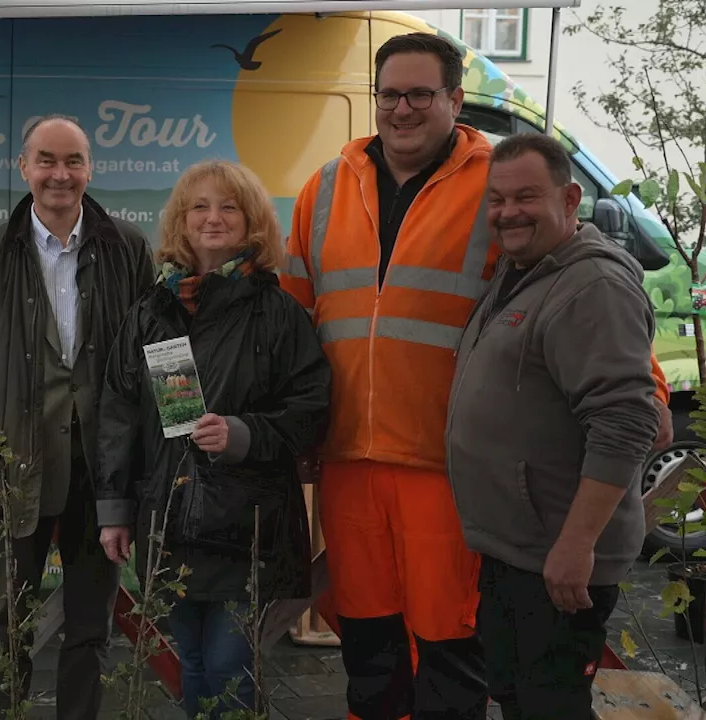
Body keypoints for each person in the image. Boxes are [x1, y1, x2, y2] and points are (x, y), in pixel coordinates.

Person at [279, 32, 672, 720]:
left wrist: (650, 383)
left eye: (421, 94)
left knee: (450, 653)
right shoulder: (327, 186)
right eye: (390, 94)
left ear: (455, 100)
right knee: (368, 654)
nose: (403, 110)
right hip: (348, 467)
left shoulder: (499, 181)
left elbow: (576, 271)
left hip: (448, 477)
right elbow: (289, 318)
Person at [95, 160, 331, 717]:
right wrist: (114, 508)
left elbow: (311, 409)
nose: (213, 217)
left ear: (252, 222)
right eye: (199, 206)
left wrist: (244, 433)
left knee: (229, 665)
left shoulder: (278, 313)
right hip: (168, 518)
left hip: (249, 524)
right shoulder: (151, 313)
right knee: (194, 662)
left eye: (229, 206)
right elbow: (119, 415)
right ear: (181, 219)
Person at [0, 114, 156, 718]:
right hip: (16, 465)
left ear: (90, 168)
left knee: (91, 629)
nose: (60, 175)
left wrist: (172, 437)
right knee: (5, 625)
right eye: (47, 161)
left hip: (103, 468)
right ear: (24, 168)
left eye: (73, 161)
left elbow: (155, 352)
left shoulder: (128, 248)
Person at [447, 133, 660, 720]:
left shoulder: (593, 286)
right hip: (518, 550)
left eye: (527, 197)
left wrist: (576, 544)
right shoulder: (523, 272)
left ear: (570, 199)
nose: (508, 212)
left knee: (550, 706)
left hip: (557, 557)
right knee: (521, 700)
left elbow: (626, 420)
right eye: (497, 200)